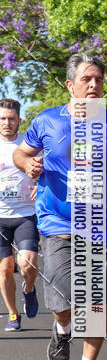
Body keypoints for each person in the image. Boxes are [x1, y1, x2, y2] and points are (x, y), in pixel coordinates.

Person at [13, 54, 107, 360]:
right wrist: (27, 165)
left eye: (99, 80)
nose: (93, 85)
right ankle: (62, 330)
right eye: (86, 79)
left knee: (97, 301)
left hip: (103, 227)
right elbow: (21, 153)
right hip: (58, 221)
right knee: (63, 299)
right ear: (70, 85)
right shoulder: (47, 122)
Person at [0, 98, 39, 330]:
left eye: (11, 119)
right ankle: (13, 314)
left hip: (26, 213)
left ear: (19, 120)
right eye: (3, 119)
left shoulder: (29, 143)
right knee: (4, 269)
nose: (7, 123)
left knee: (27, 264)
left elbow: (47, 168)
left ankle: (29, 288)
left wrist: (40, 185)